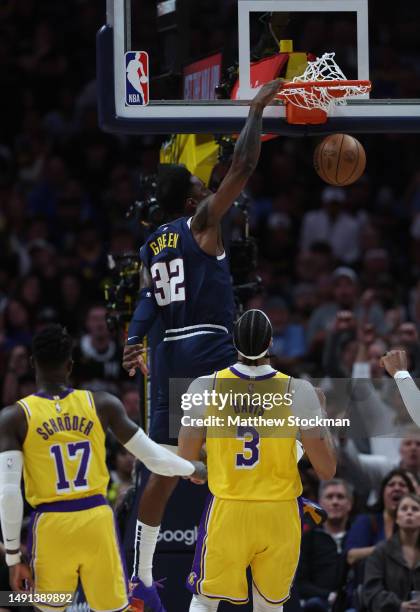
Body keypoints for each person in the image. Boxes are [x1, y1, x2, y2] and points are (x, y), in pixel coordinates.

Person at [122, 79, 286, 611]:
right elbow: (242, 168)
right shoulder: (201, 222)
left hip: (167, 349)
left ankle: (140, 573)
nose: (208, 185)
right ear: (195, 199)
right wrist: (256, 111)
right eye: (201, 183)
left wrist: (132, 339)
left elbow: (146, 303)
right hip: (208, 348)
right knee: (257, 434)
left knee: (166, 469)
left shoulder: (151, 243)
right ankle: (272, 522)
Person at [0, 325, 206, 612]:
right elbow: (154, 457)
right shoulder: (102, 403)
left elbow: (9, 493)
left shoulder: (14, 417)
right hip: (96, 521)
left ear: (33, 363)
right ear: (70, 365)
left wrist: (13, 558)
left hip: (51, 525)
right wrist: (192, 468)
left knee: (48, 607)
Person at [178, 309, 337, 611]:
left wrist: (216, 454)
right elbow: (327, 470)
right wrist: (320, 414)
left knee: (205, 600)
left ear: (233, 343)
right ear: (271, 343)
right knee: (269, 606)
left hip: (229, 508)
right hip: (279, 513)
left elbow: (188, 464)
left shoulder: (204, 387)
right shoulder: (299, 391)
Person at [297, 479, 354, 611]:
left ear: (350, 504)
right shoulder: (308, 538)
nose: (335, 502)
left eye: (340, 497)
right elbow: (299, 583)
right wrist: (328, 596)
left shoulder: (358, 535)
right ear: (320, 504)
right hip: (317, 604)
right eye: (329, 497)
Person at [363, 493, 420, 611]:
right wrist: (399, 605)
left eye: (415, 509)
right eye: (404, 509)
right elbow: (371, 592)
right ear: (397, 518)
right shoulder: (380, 552)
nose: (409, 512)